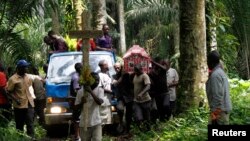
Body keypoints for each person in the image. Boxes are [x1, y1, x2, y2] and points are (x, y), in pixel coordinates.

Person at [6, 60, 35, 139]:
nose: (26, 69)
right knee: (19, 125)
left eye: (26, 67)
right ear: (20, 68)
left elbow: (30, 88)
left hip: (29, 103)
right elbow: (8, 92)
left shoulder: (28, 77)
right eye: (25, 67)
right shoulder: (13, 79)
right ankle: (20, 139)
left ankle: (32, 138)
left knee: (30, 123)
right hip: (19, 106)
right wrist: (16, 99)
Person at [206, 50, 232, 125]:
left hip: (220, 112)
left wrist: (215, 115)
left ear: (211, 61)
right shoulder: (220, 72)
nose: (207, 63)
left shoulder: (216, 75)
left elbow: (218, 96)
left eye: (208, 61)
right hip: (221, 110)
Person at [76, 72, 104, 141]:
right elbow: (76, 108)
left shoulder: (100, 90)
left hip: (96, 122)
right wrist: (81, 103)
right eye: (95, 80)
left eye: (98, 80)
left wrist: (91, 91)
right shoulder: (80, 92)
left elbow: (99, 102)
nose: (97, 82)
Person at [133, 63, 151, 131]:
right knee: (138, 117)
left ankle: (148, 132)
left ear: (141, 69)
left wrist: (141, 93)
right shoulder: (135, 75)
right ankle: (141, 130)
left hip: (145, 100)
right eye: (135, 70)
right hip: (137, 101)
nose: (136, 72)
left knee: (147, 118)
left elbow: (148, 86)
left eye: (137, 70)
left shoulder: (145, 76)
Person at [98, 60, 113, 125]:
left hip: (108, 99)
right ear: (102, 66)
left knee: (108, 116)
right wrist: (110, 91)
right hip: (103, 99)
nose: (108, 66)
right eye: (106, 65)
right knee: (103, 116)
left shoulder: (107, 74)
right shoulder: (99, 75)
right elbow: (100, 88)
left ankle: (106, 132)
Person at [70, 62, 83, 141]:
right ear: (80, 69)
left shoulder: (80, 76)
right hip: (76, 100)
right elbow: (76, 90)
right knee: (77, 118)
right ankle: (77, 136)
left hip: (79, 100)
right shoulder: (76, 77)